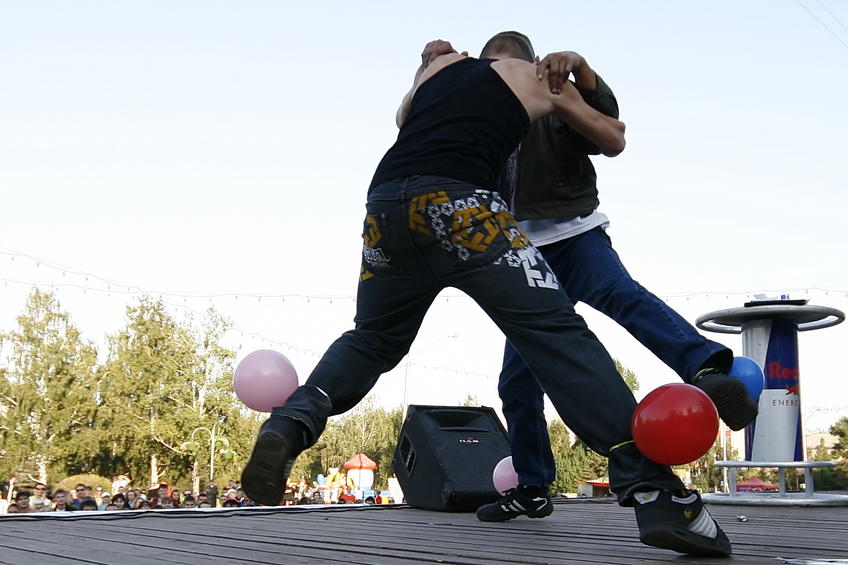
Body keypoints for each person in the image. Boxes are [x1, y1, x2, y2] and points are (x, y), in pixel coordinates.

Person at [242, 41, 730, 557]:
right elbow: (613, 137)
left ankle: (292, 420)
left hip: (386, 205)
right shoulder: (536, 77)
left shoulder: (440, 70)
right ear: (530, 59)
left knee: (372, 339)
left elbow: (404, 115)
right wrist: (574, 76)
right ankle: (655, 492)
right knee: (556, 336)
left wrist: (427, 65)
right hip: (463, 207)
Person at [419, 32, 756, 524]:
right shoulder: (480, 111)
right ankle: (532, 486)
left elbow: (607, 127)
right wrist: (430, 68)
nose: (499, 82)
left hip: (575, 236)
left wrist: (581, 67)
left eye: (510, 70)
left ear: (533, 67)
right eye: (489, 73)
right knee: (517, 381)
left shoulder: (552, 93)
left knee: (620, 294)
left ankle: (706, 369)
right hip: (522, 253)